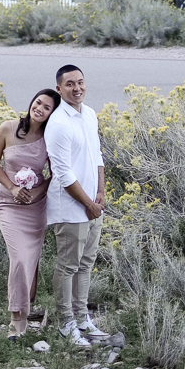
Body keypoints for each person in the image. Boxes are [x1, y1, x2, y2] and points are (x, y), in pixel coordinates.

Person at [44, 63, 109, 349]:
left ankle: (82, 318)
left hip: (93, 205)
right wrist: (88, 204)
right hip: (71, 208)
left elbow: (97, 156)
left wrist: (100, 194)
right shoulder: (59, 123)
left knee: (86, 263)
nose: (77, 88)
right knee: (68, 266)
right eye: (70, 84)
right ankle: (65, 323)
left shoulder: (90, 114)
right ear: (59, 89)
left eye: (80, 82)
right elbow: (63, 174)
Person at [0, 87, 60, 339]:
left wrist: (38, 191)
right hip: (8, 204)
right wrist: (13, 187)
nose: (40, 108)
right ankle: (15, 319)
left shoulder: (50, 138)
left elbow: (56, 173)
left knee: (30, 257)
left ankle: (25, 309)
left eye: (47, 107)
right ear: (32, 102)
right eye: (38, 102)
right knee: (19, 257)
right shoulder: (8, 128)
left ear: (52, 114)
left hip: (35, 207)